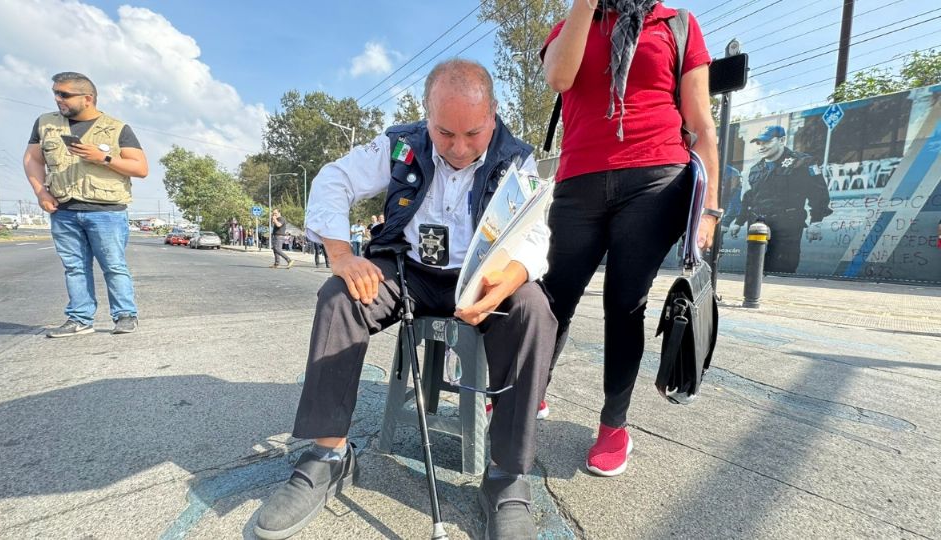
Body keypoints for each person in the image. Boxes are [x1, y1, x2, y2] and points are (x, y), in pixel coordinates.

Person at [254, 59, 556, 540]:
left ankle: (505, 478)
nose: (458, 149)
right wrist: (340, 254)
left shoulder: (518, 159)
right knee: (339, 298)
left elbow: (536, 235)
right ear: (426, 115)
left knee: (534, 309)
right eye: (444, 133)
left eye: (472, 133)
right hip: (406, 271)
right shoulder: (401, 143)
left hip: (477, 277)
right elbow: (335, 178)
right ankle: (328, 455)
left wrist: (512, 276)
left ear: (494, 114)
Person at [540, 0, 720, 477]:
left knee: (625, 304)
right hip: (578, 180)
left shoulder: (675, 23)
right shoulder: (572, 22)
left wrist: (710, 209)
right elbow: (559, 78)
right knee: (554, 296)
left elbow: (701, 123)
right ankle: (533, 389)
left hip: (655, 179)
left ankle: (614, 426)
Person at [22, 71, 148, 337]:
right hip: (64, 209)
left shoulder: (117, 128)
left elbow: (140, 168)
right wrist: (40, 193)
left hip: (106, 211)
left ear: (88, 98)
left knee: (114, 266)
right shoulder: (46, 124)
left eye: (64, 94)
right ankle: (79, 319)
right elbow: (33, 159)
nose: (58, 99)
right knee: (74, 267)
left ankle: (125, 315)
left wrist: (103, 158)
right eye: (56, 93)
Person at [730, 125, 832, 273]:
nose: (762, 146)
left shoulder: (802, 163)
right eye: (759, 143)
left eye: (767, 141)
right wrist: (739, 222)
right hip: (759, 226)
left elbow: (818, 193)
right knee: (756, 270)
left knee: (782, 269)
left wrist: (816, 221)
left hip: (787, 227)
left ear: (782, 140)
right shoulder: (755, 170)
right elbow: (749, 199)